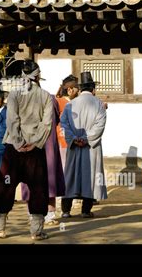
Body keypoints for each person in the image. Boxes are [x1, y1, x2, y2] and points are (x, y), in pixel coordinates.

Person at [0, 59, 52, 241]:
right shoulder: (46, 96)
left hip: (13, 150)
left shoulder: (14, 94)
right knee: (38, 188)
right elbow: (47, 124)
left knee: (5, 185)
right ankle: (36, 231)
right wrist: (35, 142)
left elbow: (12, 120)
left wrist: (17, 142)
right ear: (38, 76)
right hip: (35, 151)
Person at [60, 72, 107, 218]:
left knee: (70, 175)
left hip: (74, 146)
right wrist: (87, 139)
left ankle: (66, 211)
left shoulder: (71, 104)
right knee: (91, 176)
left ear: (80, 89)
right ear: (93, 89)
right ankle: (86, 210)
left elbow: (64, 124)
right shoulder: (99, 104)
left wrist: (74, 138)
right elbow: (100, 125)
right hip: (91, 147)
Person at [21, 94, 65, 225]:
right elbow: (56, 120)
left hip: (30, 144)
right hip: (48, 145)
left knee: (31, 177)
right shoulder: (51, 99)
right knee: (49, 177)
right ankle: (49, 214)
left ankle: (32, 214)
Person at [56, 75, 80, 169]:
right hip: (63, 140)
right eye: (77, 88)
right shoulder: (59, 102)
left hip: (74, 140)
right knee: (65, 168)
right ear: (70, 90)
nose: (79, 90)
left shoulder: (75, 102)